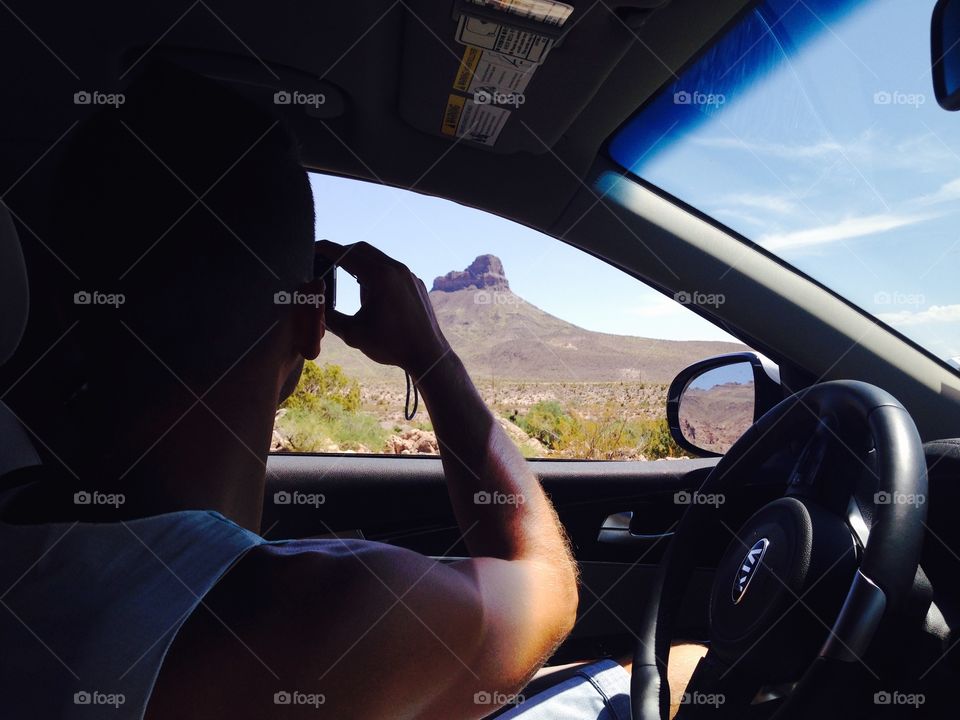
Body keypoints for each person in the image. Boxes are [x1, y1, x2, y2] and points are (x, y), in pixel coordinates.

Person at [0, 63, 697, 719]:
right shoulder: (326, 612)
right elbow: (546, 587)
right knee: (686, 668)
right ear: (312, 319)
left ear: (60, 306)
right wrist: (431, 356)